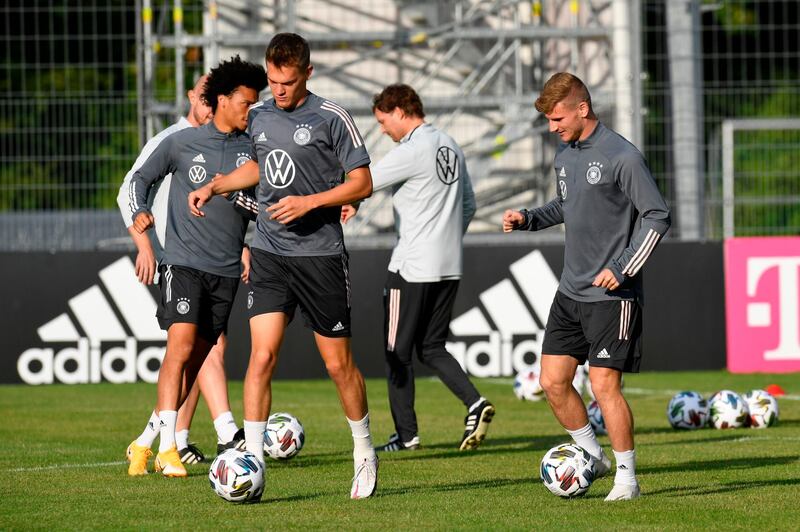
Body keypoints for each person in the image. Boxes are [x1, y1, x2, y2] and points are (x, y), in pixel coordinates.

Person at [188, 33, 378, 499]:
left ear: (307, 73)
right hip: (271, 254)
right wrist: (217, 186)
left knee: (339, 365)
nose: (279, 90)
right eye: (273, 81)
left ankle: (364, 453)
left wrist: (311, 202)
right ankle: (253, 462)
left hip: (320, 257)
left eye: (288, 82)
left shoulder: (332, 118)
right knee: (261, 356)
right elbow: (259, 168)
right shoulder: (261, 116)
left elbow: (364, 182)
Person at [502, 72, 671, 501]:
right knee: (553, 381)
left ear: (582, 108)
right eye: (548, 120)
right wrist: (530, 218)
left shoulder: (622, 156)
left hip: (613, 295)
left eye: (557, 118)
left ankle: (627, 479)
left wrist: (624, 267)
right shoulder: (566, 152)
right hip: (570, 290)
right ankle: (592, 456)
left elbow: (657, 216)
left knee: (603, 385)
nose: (552, 127)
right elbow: (566, 204)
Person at [126, 56, 267, 478]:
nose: (251, 109)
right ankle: (171, 448)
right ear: (223, 100)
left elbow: (262, 206)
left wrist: (238, 202)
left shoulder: (254, 148)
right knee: (181, 347)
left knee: (194, 362)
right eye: (245, 102)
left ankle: (145, 441)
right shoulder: (182, 142)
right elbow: (138, 180)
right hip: (184, 263)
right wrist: (141, 214)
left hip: (225, 271)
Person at [357, 84, 494, 452]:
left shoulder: (413, 149)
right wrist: (444, 239)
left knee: (395, 353)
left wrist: (338, 200)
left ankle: (406, 436)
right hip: (448, 264)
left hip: (411, 266)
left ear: (401, 111)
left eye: (384, 121)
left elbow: (363, 181)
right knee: (432, 347)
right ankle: (475, 403)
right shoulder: (450, 143)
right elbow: (468, 206)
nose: (383, 130)